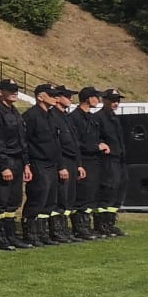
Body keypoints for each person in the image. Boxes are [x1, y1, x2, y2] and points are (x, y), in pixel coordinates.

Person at [0, 80, 28, 250]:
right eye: (11, 90)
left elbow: (22, 140)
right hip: (4, 161)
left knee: (13, 201)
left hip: (17, 160)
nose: (15, 93)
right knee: (0, 200)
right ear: (1, 93)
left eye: (16, 90)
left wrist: (26, 163)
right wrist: (3, 166)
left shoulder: (14, 111)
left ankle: (11, 235)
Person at [21, 84, 63, 246]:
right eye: (51, 95)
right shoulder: (31, 116)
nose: (55, 98)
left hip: (52, 163)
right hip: (38, 162)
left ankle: (42, 232)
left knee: (50, 200)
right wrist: (26, 164)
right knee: (37, 198)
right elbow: (24, 142)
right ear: (40, 97)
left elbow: (56, 142)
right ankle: (30, 233)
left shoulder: (51, 115)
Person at [51, 85, 88, 242]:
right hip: (63, 161)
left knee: (70, 197)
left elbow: (74, 143)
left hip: (72, 161)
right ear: (58, 98)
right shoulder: (53, 116)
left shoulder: (66, 116)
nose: (71, 99)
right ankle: (57, 230)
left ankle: (65, 230)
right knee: (61, 197)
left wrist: (79, 164)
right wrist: (61, 166)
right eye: (67, 96)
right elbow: (56, 144)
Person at [93, 88, 129, 237]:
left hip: (119, 159)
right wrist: (101, 145)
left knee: (119, 191)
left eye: (117, 100)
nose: (116, 103)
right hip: (107, 160)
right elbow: (95, 138)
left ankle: (110, 223)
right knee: (108, 190)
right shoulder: (98, 118)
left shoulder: (114, 117)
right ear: (104, 100)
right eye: (113, 100)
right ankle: (101, 224)